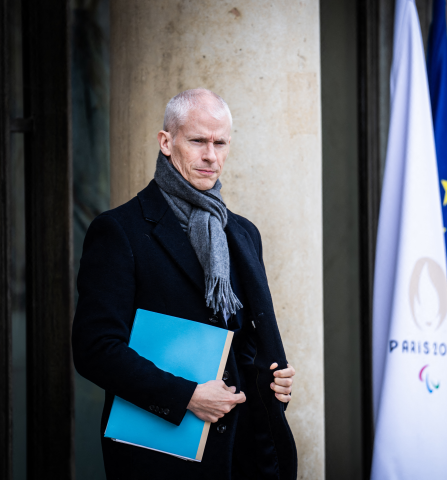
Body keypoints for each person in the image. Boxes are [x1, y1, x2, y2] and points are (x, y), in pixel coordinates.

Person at [72, 88, 297, 479]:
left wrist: (270, 378)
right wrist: (187, 397)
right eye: (198, 141)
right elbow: (95, 349)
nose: (211, 155)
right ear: (166, 142)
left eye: (220, 142)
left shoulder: (243, 233)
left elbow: (244, 338)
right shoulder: (119, 230)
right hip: (163, 457)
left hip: (247, 452)